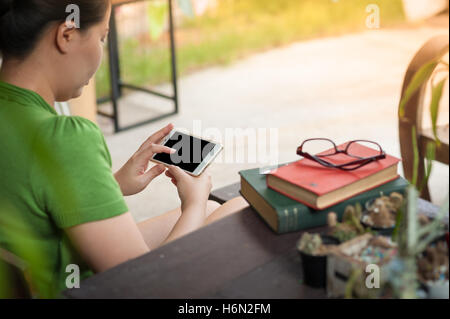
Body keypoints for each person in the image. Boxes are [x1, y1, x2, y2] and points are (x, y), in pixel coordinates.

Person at [0, 0, 248, 298]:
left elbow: (30, 195)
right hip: (80, 288)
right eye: (102, 37)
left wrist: (111, 185)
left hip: (41, 279)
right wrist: (193, 202)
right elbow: (142, 285)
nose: (101, 53)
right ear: (66, 34)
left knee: (213, 210)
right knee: (236, 210)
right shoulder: (63, 138)